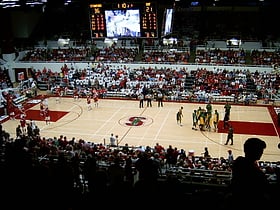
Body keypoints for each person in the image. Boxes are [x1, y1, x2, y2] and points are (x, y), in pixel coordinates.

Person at [228, 138, 271, 208]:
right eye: (260, 150)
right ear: (258, 152)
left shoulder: (238, 162)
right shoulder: (258, 174)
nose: (262, 152)